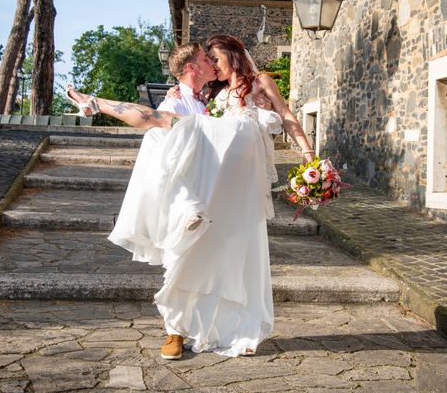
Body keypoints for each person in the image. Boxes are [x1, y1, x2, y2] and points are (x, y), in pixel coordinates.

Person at [66, 35, 314, 359]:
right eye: (207, 58)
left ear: (232, 53)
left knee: (159, 128)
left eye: (215, 56)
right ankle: (95, 103)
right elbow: (189, 113)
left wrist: (310, 155)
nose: (212, 62)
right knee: (157, 128)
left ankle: (94, 103)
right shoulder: (213, 96)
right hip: (221, 165)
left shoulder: (257, 82)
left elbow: (287, 115)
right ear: (193, 65)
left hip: (241, 163)